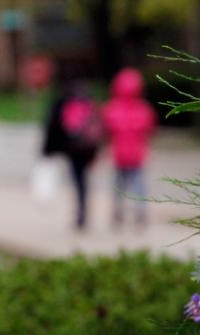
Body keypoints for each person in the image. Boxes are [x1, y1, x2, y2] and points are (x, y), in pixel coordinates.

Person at [42, 81, 102, 230]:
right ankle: (83, 209)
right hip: (88, 150)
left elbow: (59, 128)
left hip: (74, 150)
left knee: (78, 180)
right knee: (84, 181)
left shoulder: (67, 105)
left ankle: (81, 212)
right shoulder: (91, 106)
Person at [102, 68, 157, 227]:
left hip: (119, 155)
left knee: (118, 187)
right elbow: (150, 131)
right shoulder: (143, 109)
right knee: (138, 186)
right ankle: (140, 213)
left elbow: (106, 131)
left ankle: (118, 214)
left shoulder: (112, 108)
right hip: (137, 155)